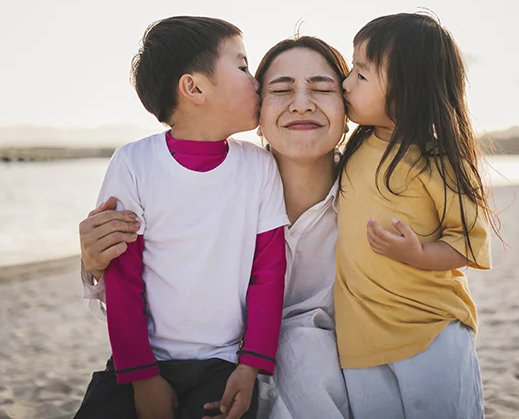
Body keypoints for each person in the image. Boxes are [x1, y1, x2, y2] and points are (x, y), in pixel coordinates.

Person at [80, 36, 352, 419]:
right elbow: (126, 273)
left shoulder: (370, 193)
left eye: (323, 88)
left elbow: (267, 275)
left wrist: (252, 363)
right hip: (165, 361)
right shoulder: (137, 162)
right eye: (250, 72)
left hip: (235, 365)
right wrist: (94, 261)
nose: (300, 102)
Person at [335, 12, 495, 418]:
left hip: (430, 330)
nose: (345, 83)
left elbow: (467, 244)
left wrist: (419, 255)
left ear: (409, 89)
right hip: (360, 338)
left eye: (361, 74)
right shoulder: (353, 148)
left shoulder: (436, 157)